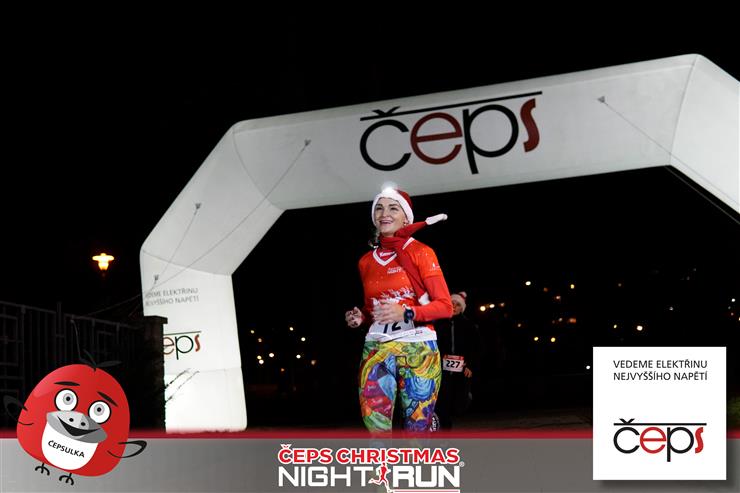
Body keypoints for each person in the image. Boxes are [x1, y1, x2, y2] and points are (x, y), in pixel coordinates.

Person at [345, 187, 452, 433]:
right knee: (376, 427)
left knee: (417, 429)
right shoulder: (366, 261)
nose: (384, 214)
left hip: (417, 346)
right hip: (377, 347)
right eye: (379, 208)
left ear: (406, 218)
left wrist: (406, 313)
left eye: (393, 208)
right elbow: (372, 309)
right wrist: (361, 317)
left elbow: (445, 307)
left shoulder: (421, 252)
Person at [433, 291, 482, 430]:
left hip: (462, 368)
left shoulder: (469, 325)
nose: (454, 306)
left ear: (462, 308)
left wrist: (470, 365)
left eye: (458, 304)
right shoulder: (438, 324)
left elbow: (477, 348)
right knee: (443, 400)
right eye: (452, 303)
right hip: (442, 368)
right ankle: (444, 427)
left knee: (459, 401)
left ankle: (465, 399)